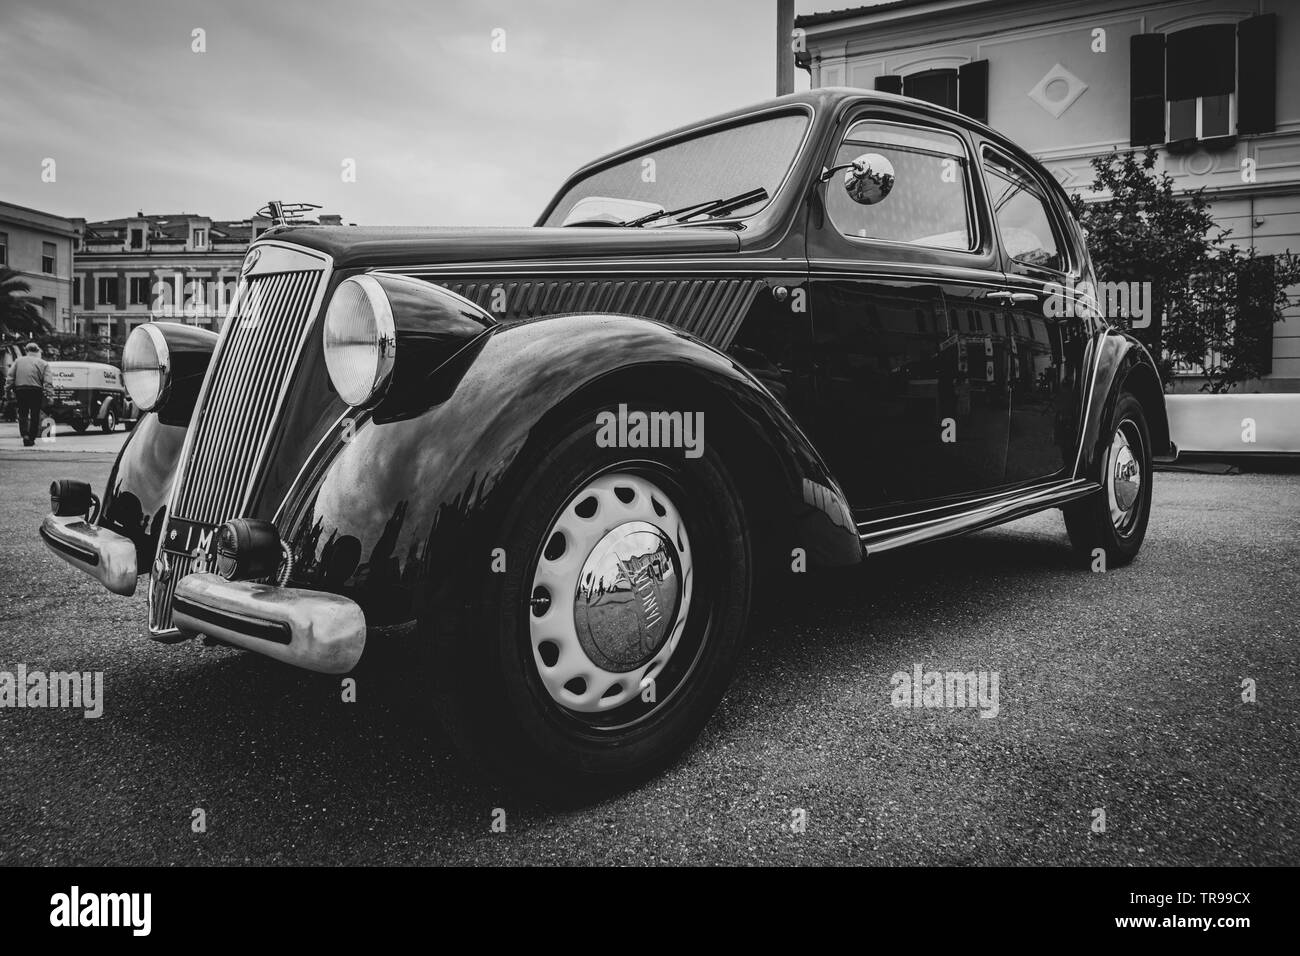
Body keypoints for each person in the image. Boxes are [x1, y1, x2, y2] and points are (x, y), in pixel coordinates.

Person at [7, 342, 51, 447]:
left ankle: (25, 435)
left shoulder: (18, 361)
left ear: (27, 351)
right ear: (38, 351)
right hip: (36, 390)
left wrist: (7, 390)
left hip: (21, 390)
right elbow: (48, 381)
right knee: (35, 414)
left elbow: (10, 377)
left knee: (23, 414)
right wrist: (49, 395)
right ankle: (32, 437)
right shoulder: (44, 363)